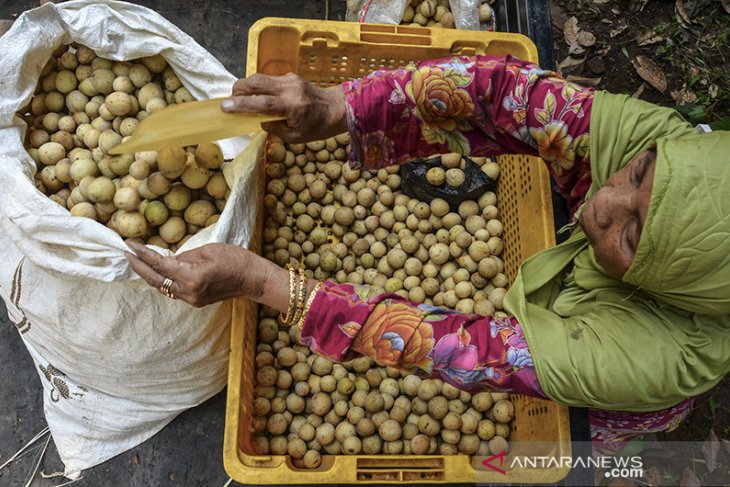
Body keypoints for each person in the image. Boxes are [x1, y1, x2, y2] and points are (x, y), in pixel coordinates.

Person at [125, 55, 730, 449]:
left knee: (576, 431)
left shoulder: (656, 353)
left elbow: (471, 350)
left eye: (631, 234)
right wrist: (343, 108)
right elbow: (505, 96)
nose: (603, 202)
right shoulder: (680, 158)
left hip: (611, 378)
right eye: (637, 172)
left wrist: (263, 283)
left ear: (676, 283)